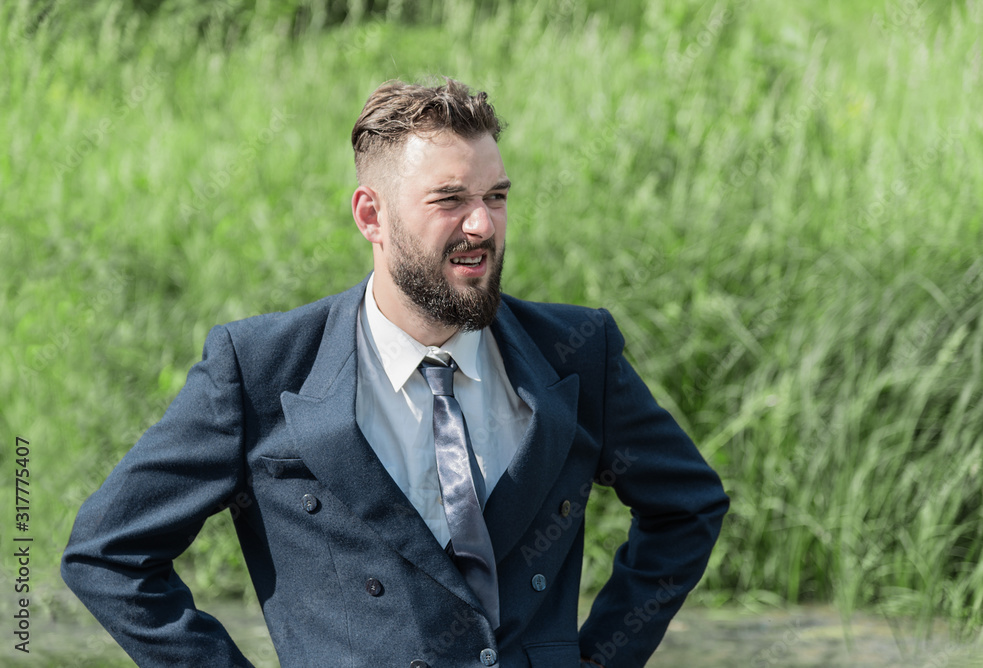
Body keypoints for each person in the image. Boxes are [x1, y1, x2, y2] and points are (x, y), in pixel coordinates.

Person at [62, 77, 729, 668]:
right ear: (370, 216)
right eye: (450, 199)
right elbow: (108, 553)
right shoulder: (260, 369)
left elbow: (688, 506)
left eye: (496, 196)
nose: (482, 224)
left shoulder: (577, 350)